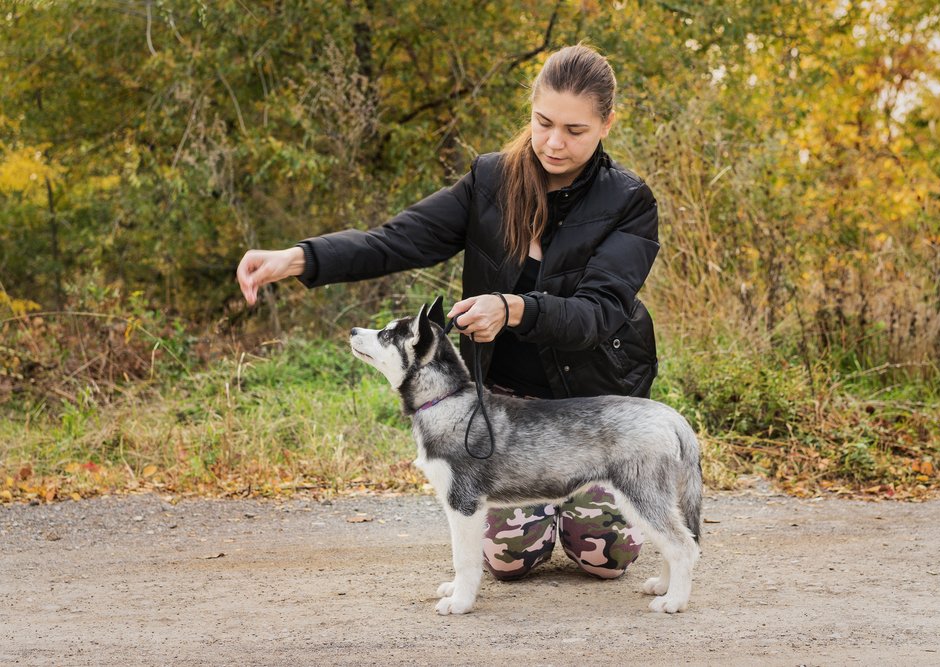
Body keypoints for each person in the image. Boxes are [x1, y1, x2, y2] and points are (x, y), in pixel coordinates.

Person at [237, 44, 659, 581]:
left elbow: (597, 313)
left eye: (575, 130)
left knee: (605, 557)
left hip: (593, 412)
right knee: (510, 560)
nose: (554, 142)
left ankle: (581, 514)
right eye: (543, 122)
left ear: (606, 124)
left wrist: (513, 308)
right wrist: (300, 258)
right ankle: (540, 516)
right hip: (506, 413)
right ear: (530, 112)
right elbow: (393, 242)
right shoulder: (489, 181)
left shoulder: (629, 203)